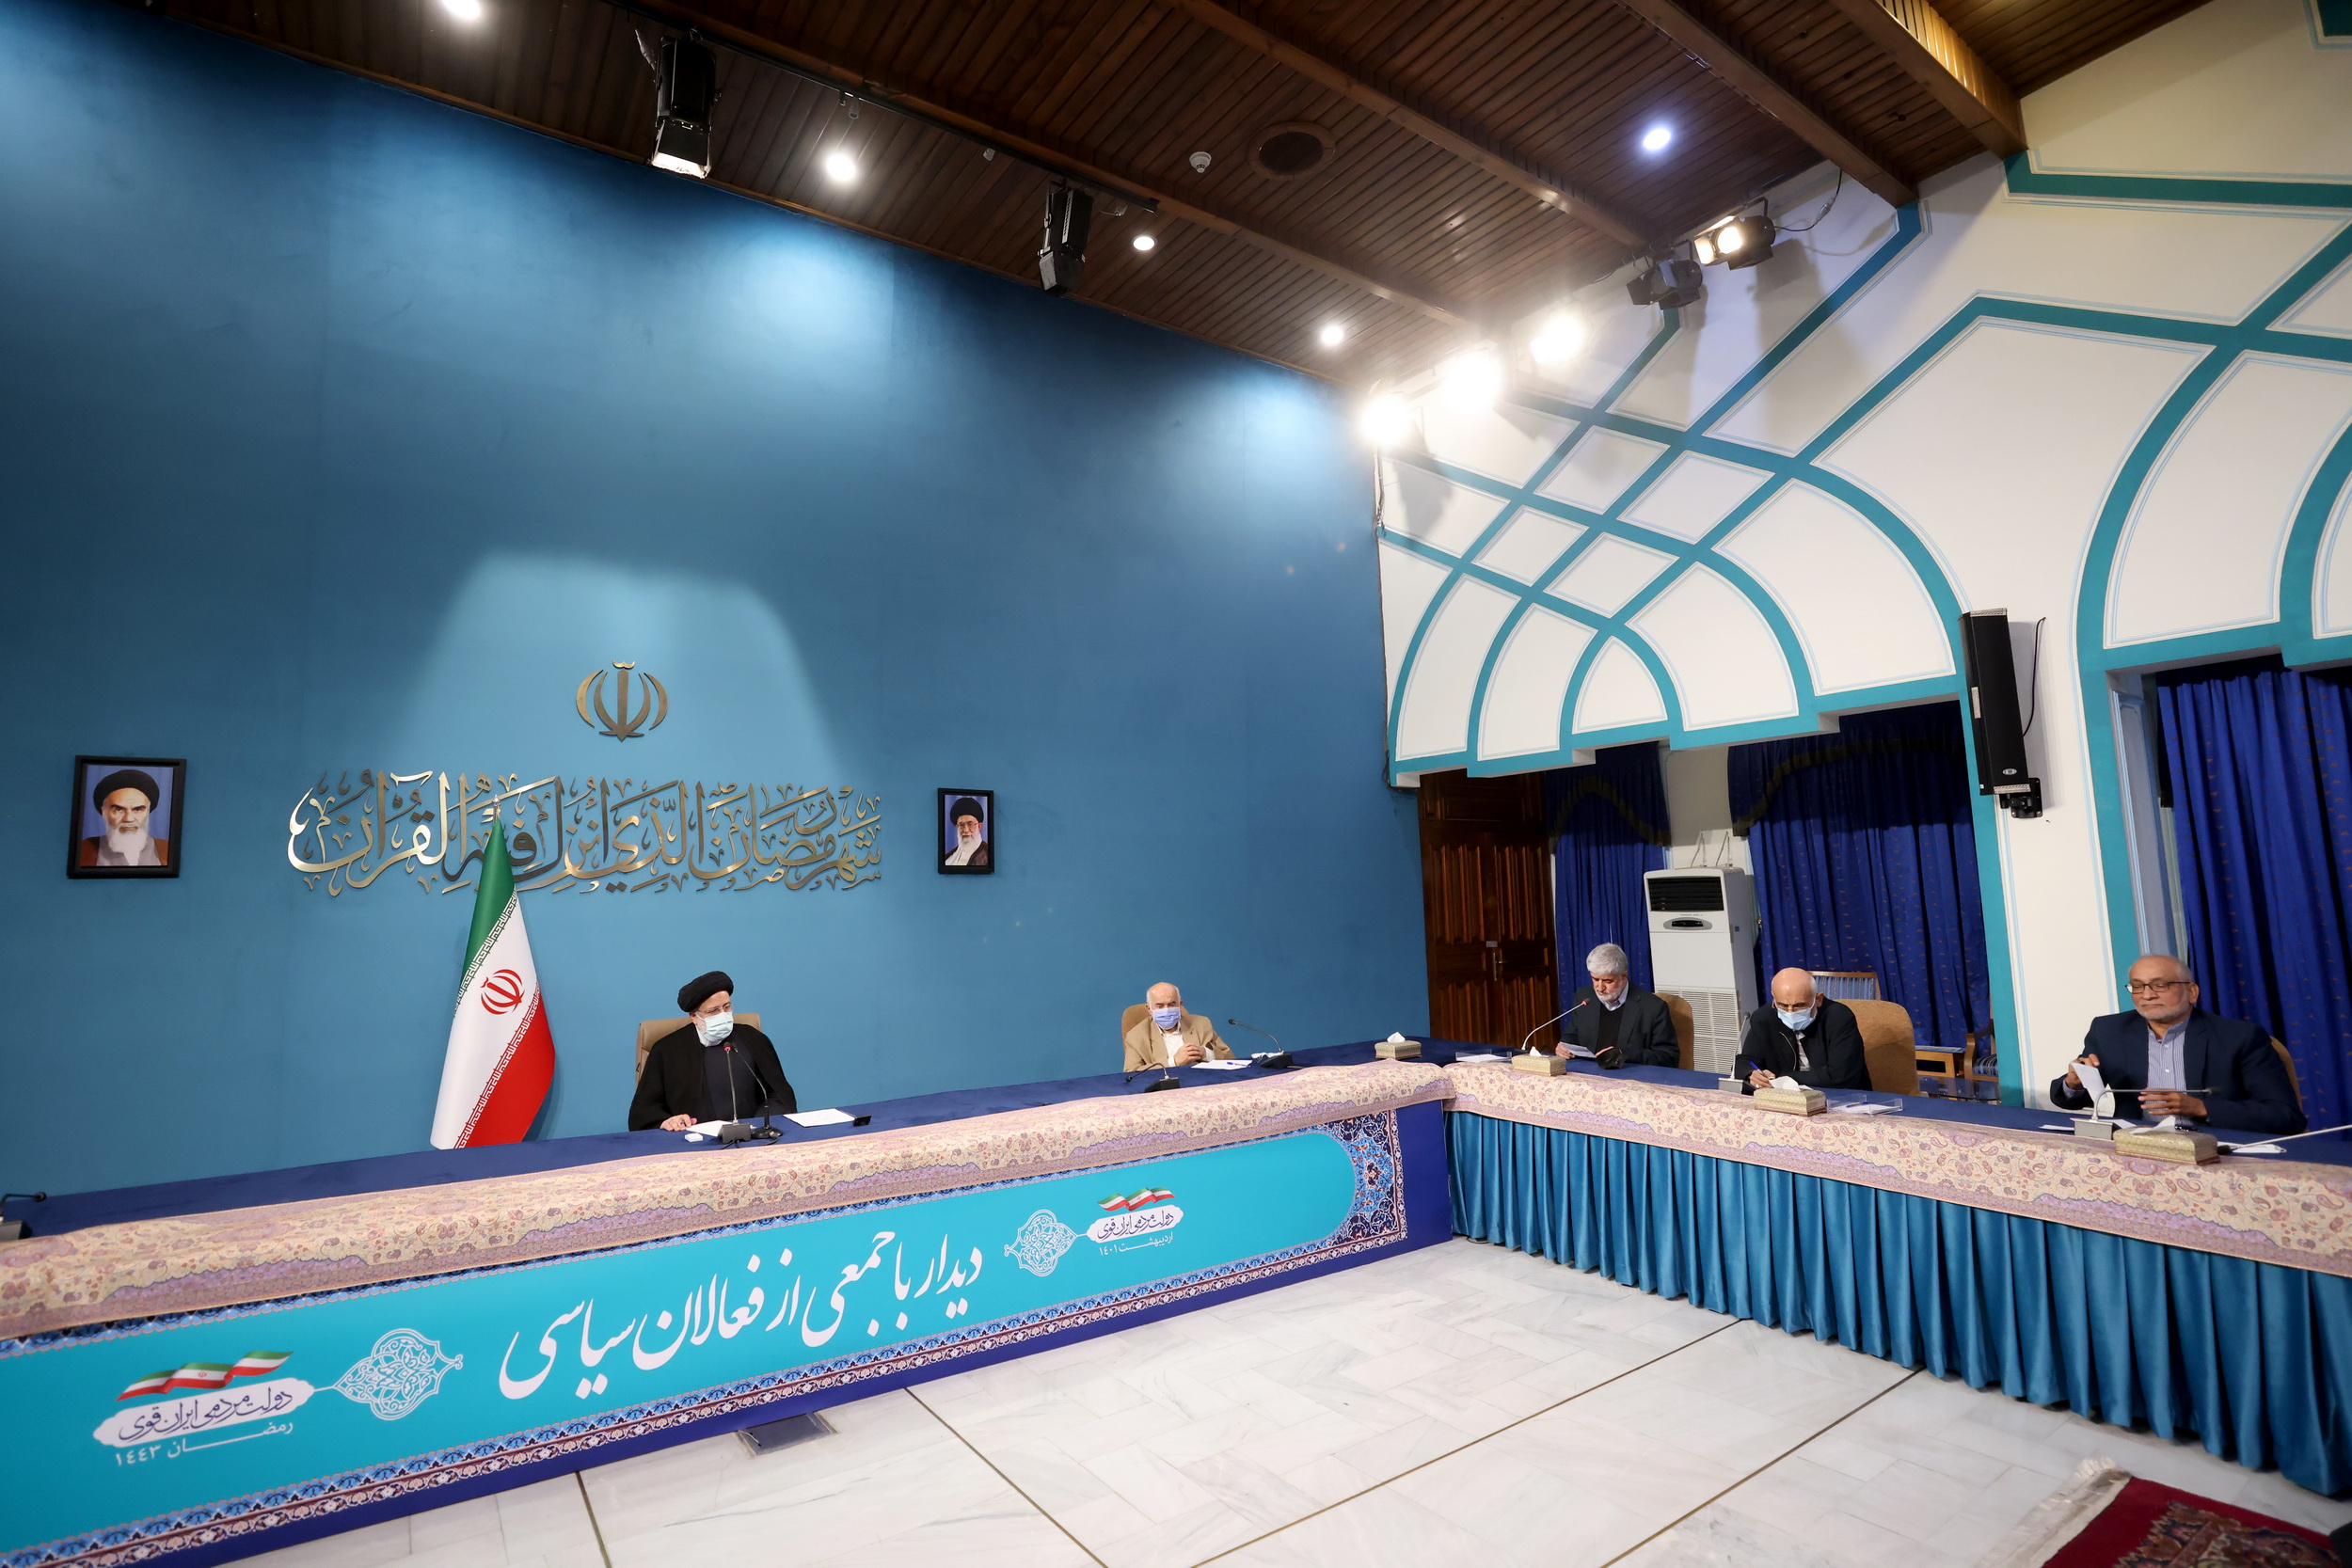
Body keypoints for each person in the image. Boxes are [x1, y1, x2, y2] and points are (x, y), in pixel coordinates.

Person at [2051, 954, 2304, 1135]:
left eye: (2160, 985)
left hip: (2214, 1147)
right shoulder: (2109, 1030)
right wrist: (2074, 1084)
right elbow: (2068, 1100)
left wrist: (2201, 1108)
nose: (2147, 995)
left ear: (2192, 992)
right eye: (2137, 986)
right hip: (2136, 1147)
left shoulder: (2240, 1037)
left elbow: (2285, 1116)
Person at [629, 970, 796, 1131]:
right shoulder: (667, 1051)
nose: (723, 1015)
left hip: (752, 1136)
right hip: (692, 1141)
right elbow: (644, 1112)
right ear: (694, 1016)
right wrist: (668, 1122)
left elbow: (779, 1096)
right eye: (714, 1010)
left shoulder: (753, 1039)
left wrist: (757, 1126)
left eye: (727, 1007)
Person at [1737, 968, 1869, 1092]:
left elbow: (1841, 1076)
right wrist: (1751, 1073)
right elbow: (1745, 1061)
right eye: (1783, 1005)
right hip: (1784, 1098)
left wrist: (1783, 1078)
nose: (1790, 1012)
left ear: (1818, 999)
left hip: (1838, 1096)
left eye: (1799, 1006)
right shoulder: (1764, 1018)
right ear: (1774, 998)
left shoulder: (1838, 1017)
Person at [1554, 943, 1679, 1068]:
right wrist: (1564, 1047)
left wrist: (1625, 1054)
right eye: (1595, 979)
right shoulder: (1584, 997)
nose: (1600, 988)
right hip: (1589, 1073)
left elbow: (1669, 1057)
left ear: (1623, 976)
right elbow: (1572, 1035)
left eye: (1608, 981)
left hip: (1631, 1075)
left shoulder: (1653, 1007)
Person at [1122, 982, 1233, 1071]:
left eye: (1172, 1004)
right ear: (1149, 1009)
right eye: (1160, 1006)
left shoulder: (1202, 1023)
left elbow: (1230, 1059)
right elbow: (1131, 1072)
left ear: (1180, 1005)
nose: (1166, 1010)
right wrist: (1173, 1062)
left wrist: (1206, 1054)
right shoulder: (1135, 1036)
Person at [79, 768, 170, 867]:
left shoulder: (168, 850)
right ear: (104, 811)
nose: (129, 819)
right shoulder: (83, 850)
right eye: (119, 809)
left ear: (147, 811)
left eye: (138, 809)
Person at [945, 797, 990, 867]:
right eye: (961, 825)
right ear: (957, 827)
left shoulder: (988, 853)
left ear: (979, 826)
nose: (966, 830)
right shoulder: (949, 857)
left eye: (970, 824)